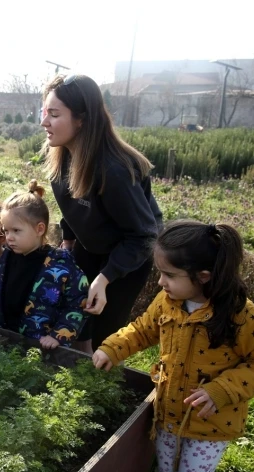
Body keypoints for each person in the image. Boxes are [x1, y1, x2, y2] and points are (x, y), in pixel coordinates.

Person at [93, 221, 254, 472]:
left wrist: (222, 389)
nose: (161, 282)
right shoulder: (168, 301)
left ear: (202, 277)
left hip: (212, 421)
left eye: (168, 275)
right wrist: (113, 347)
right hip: (169, 412)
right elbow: (142, 330)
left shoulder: (242, 316)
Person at [41, 74, 163, 353]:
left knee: (106, 331)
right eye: (45, 112)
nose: (44, 122)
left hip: (127, 254)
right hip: (90, 244)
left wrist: (106, 277)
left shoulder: (115, 171)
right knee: (77, 314)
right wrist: (69, 240)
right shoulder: (61, 157)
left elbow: (143, 236)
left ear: (82, 119)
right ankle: (80, 373)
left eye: (54, 114)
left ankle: (103, 381)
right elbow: (73, 206)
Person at [0, 181, 88, 348]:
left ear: (40, 229)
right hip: (4, 338)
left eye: (16, 231)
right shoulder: (7, 256)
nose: (9, 237)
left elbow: (78, 303)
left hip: (41, 347)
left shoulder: (61, 263)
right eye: (6, 231)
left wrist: (58, 336)